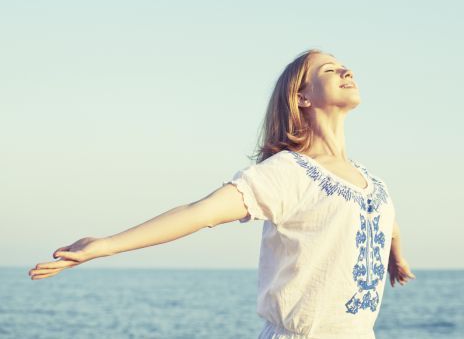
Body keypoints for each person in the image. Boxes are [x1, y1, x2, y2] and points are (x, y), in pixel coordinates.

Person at [28, 48, 416, 338]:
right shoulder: (288, 173)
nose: (346, 70)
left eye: (344, 65)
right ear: (302, 97)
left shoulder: (371, 181)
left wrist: (395, 258)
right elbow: (200, 213)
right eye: (330, 69)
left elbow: (387, 219)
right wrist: (106, 245)